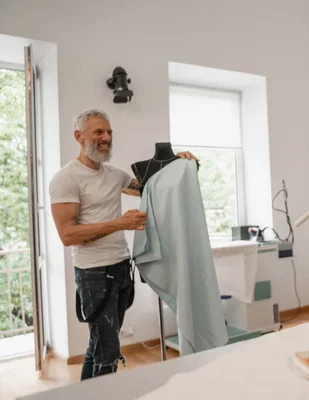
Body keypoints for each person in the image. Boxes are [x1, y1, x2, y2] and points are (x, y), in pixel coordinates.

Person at [49, 109, 198, 380]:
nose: (106, 137)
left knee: (99, 345)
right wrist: (119, 223)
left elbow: (152, 186)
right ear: (79, 137)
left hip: (120, 268)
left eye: (109, 132)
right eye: (98, 132)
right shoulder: (66, 178)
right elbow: (68, 234)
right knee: (107, 353)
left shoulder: (114, 175)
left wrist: (179, 162)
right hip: (94, 274)